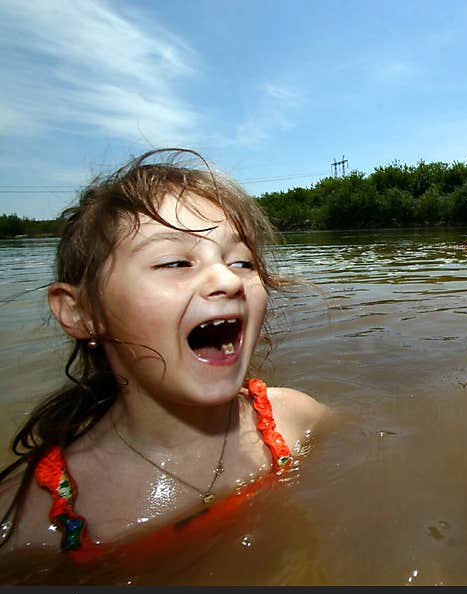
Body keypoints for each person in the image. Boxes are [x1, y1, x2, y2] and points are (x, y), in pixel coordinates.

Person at [0, 149, 326, 559]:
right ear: (80, 312)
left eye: (242, 262)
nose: (227, 279)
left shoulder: (296, 419)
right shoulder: (29, 522)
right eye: (175, 262)